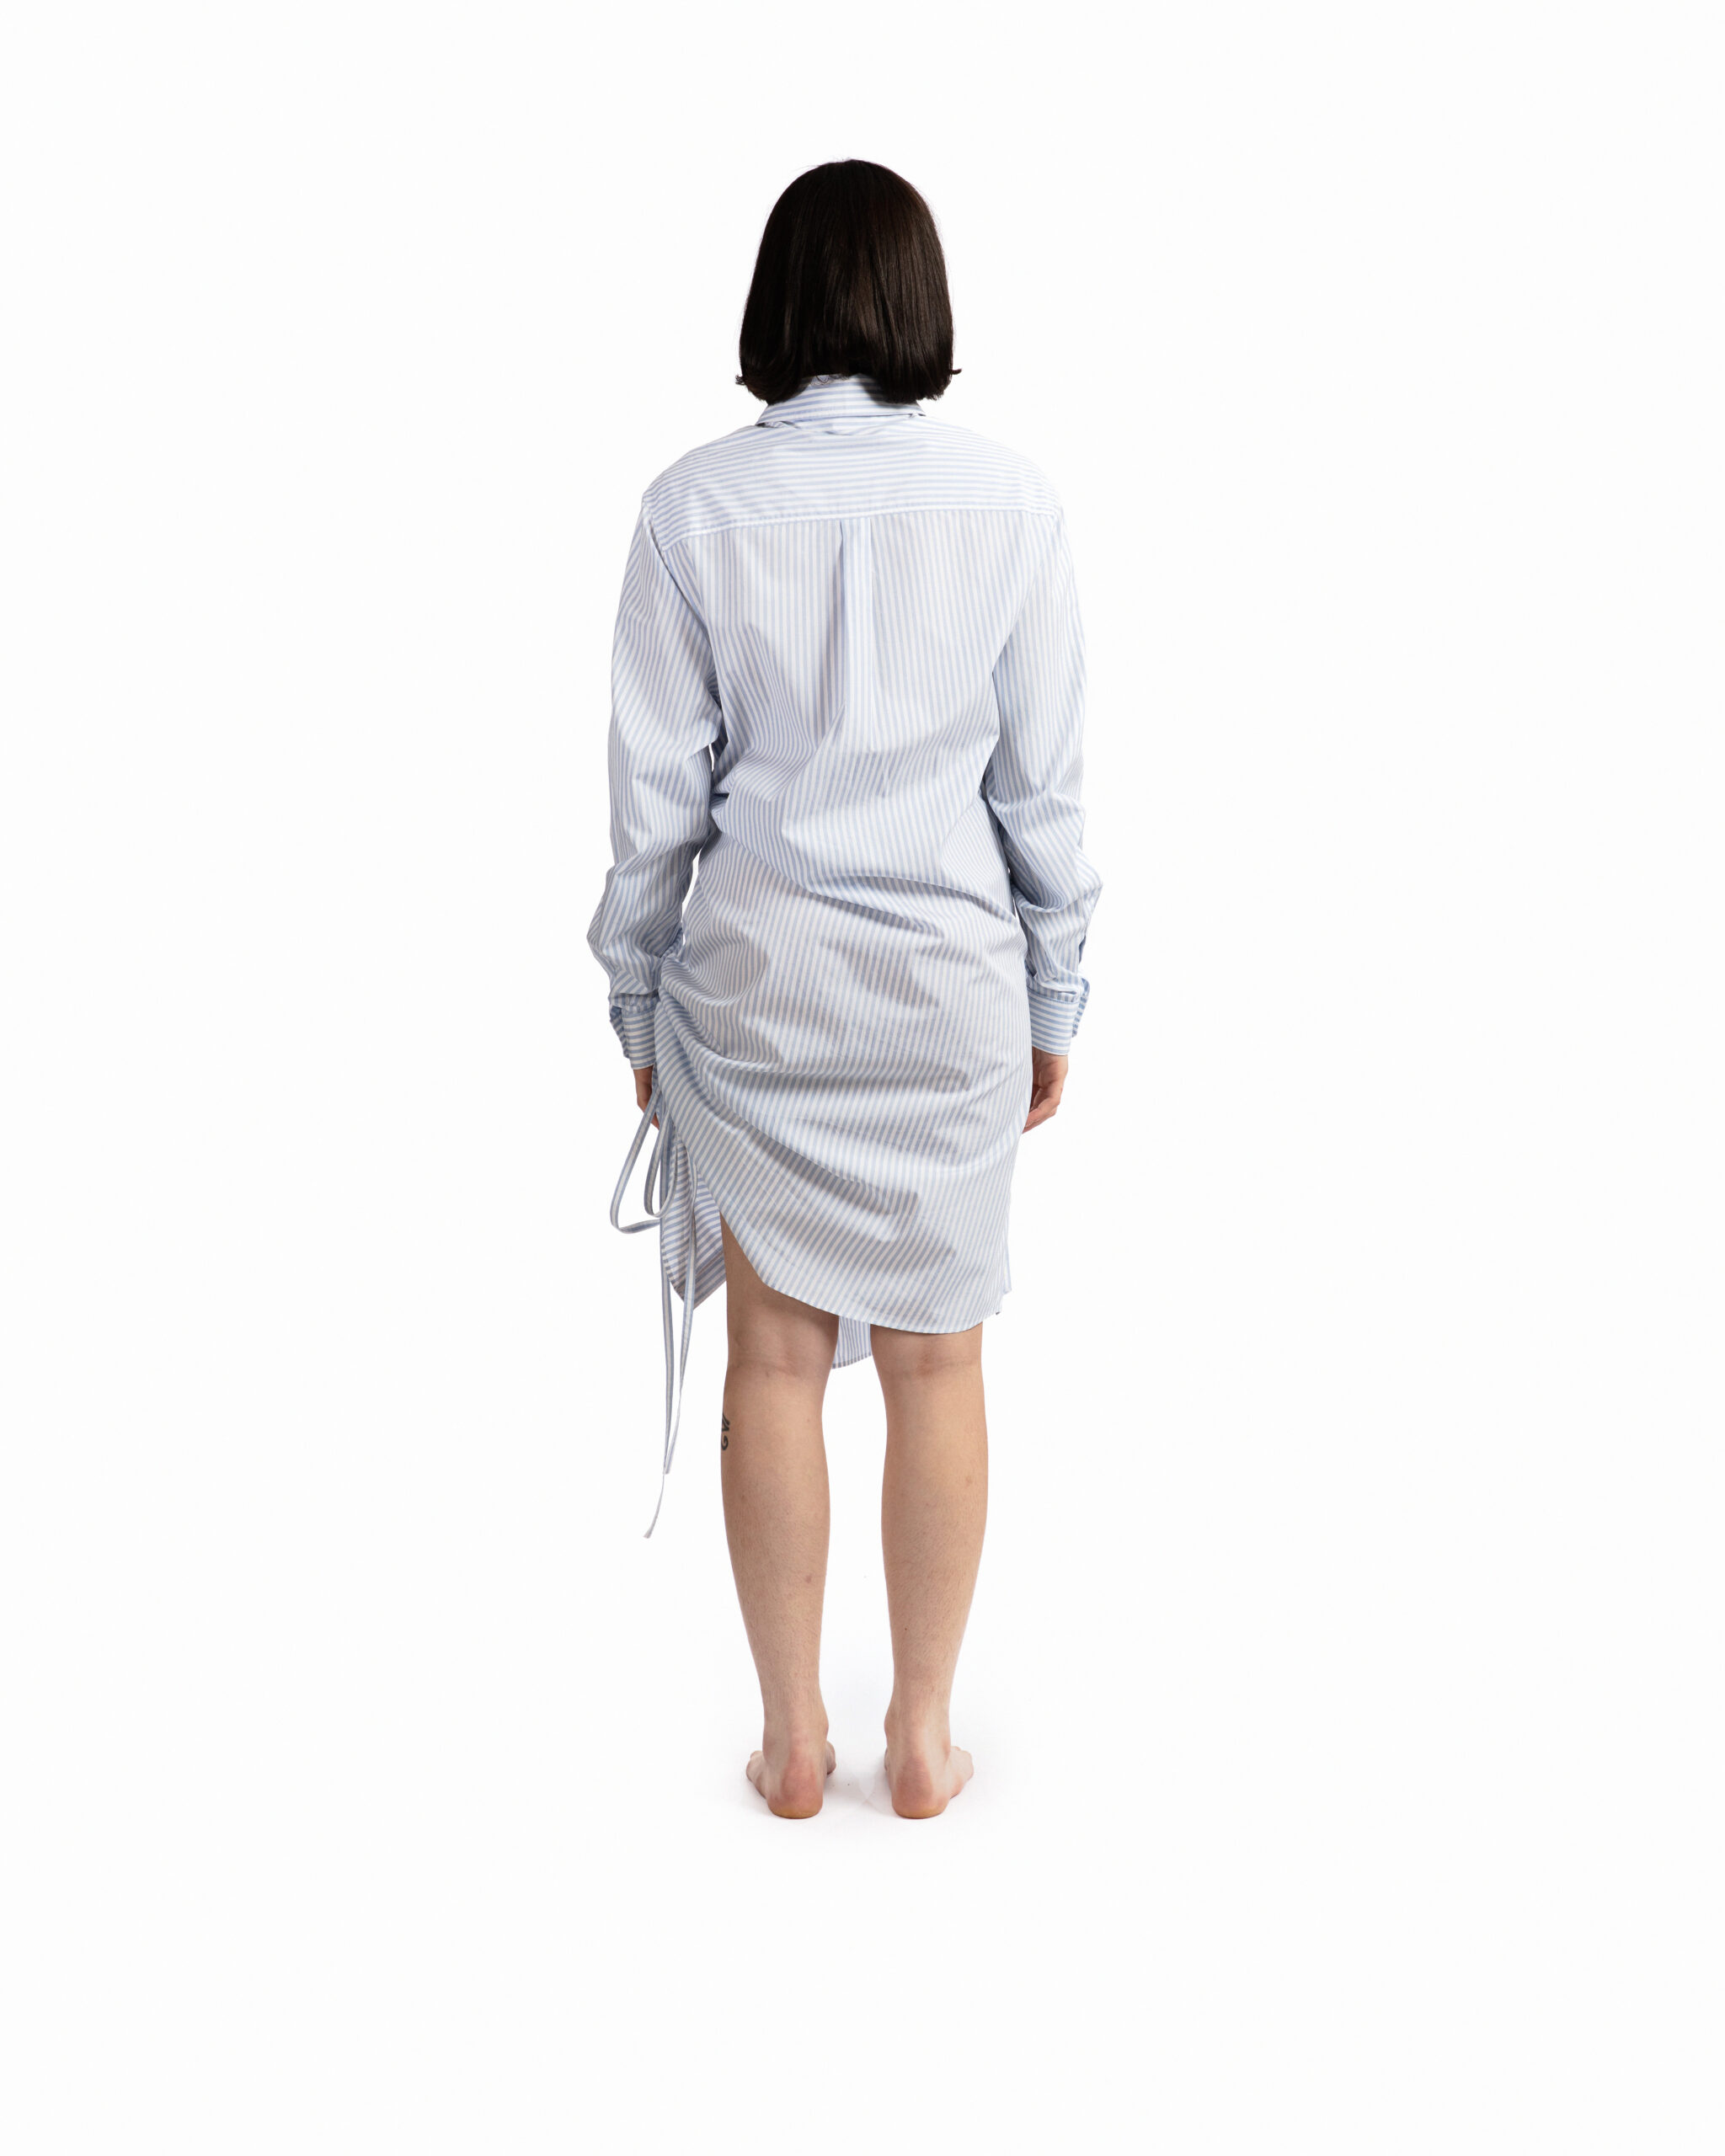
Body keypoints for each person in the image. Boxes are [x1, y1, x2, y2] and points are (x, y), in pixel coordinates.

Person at [588, 160, 1103, 1819]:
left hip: (761, 992)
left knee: (773, 1360)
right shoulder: (1011, 502)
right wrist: (1054, 997)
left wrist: (637, 1007)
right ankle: (927, 1736)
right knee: (942, 1362)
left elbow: (653, 806)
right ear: (918, 301)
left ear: (774, 302)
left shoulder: (690, 509)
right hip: (946, 989)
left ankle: (795, 1738)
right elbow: (1042, 792)